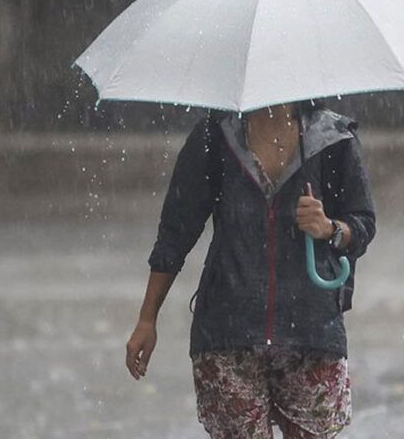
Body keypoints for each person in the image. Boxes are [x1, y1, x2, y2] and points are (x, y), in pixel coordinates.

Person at [125, 100, 377, 439]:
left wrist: (329, 228)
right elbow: (176, 231)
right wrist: (147, 318)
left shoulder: (334, 139)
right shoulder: (215, 137)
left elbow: (362, 224)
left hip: (311, 330)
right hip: (228, 331)